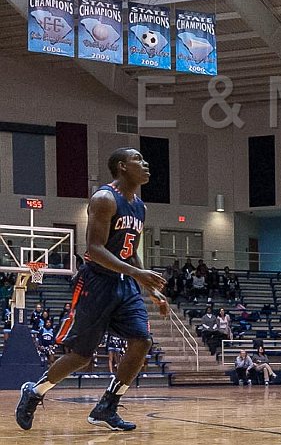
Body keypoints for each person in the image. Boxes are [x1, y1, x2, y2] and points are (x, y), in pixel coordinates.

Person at [16, 148, 169, 432]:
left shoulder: (140, 206)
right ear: (122, 167)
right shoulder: (104, 199)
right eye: (139, 160)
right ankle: (34, 392)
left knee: (142, 340)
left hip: (123, 284)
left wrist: (151, 289)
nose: (146, 164)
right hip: (96, 282)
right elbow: (94, 250)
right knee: (82, 356)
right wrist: (137, 273)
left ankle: (107, 405)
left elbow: (130, 251)